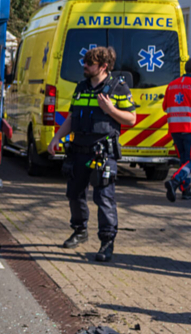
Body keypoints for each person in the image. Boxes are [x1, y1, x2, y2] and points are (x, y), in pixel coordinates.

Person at [47, 46, 137, 263]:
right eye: (85, 62)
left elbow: (131, 119)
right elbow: (71, 117)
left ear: (103, 66)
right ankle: (80, 231)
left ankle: (107, 242)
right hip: (78, 150)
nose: (84, 66)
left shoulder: (118, 88)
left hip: (103, 153)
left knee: (104, 198)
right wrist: (56, 138)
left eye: (89, 63)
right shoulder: (81, 87)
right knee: (74, 194)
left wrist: (110, 110)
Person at [162, 58, 191, 202]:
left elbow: (165, 107)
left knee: (184, 161)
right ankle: (175, 181)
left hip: (175, 129)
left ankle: (186, 190)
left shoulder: (171, 85)